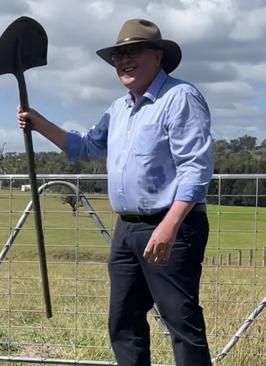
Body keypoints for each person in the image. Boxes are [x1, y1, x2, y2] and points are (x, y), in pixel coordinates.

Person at [16, 19, 213, 365]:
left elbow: (196, 168)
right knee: (123, 322)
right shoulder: (119, 109)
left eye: (133, 52)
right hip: (127, 231)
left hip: (171, 227)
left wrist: (170, 225)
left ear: (158, 57)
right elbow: (86, 146)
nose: (124, 61)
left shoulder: (180, 97)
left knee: (181, 323)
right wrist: (37, 121)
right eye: (119, 55)